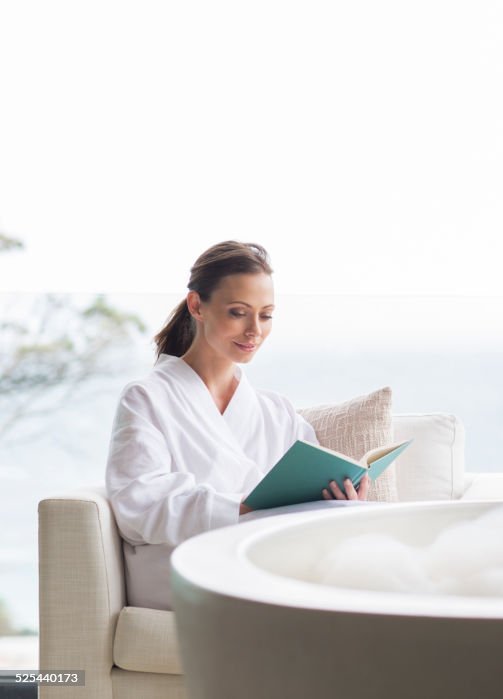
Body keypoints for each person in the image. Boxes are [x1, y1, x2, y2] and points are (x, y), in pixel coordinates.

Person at [105, 241, 368, 610]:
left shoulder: (276, 411)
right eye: (238, 312)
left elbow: (304, 504)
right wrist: (241, 508)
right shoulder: (147, 398)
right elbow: (140, 505)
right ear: (197, 306)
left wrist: (339, 500)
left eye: (266, 315)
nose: (254, 331)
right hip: (185, 572)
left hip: (266, 563)